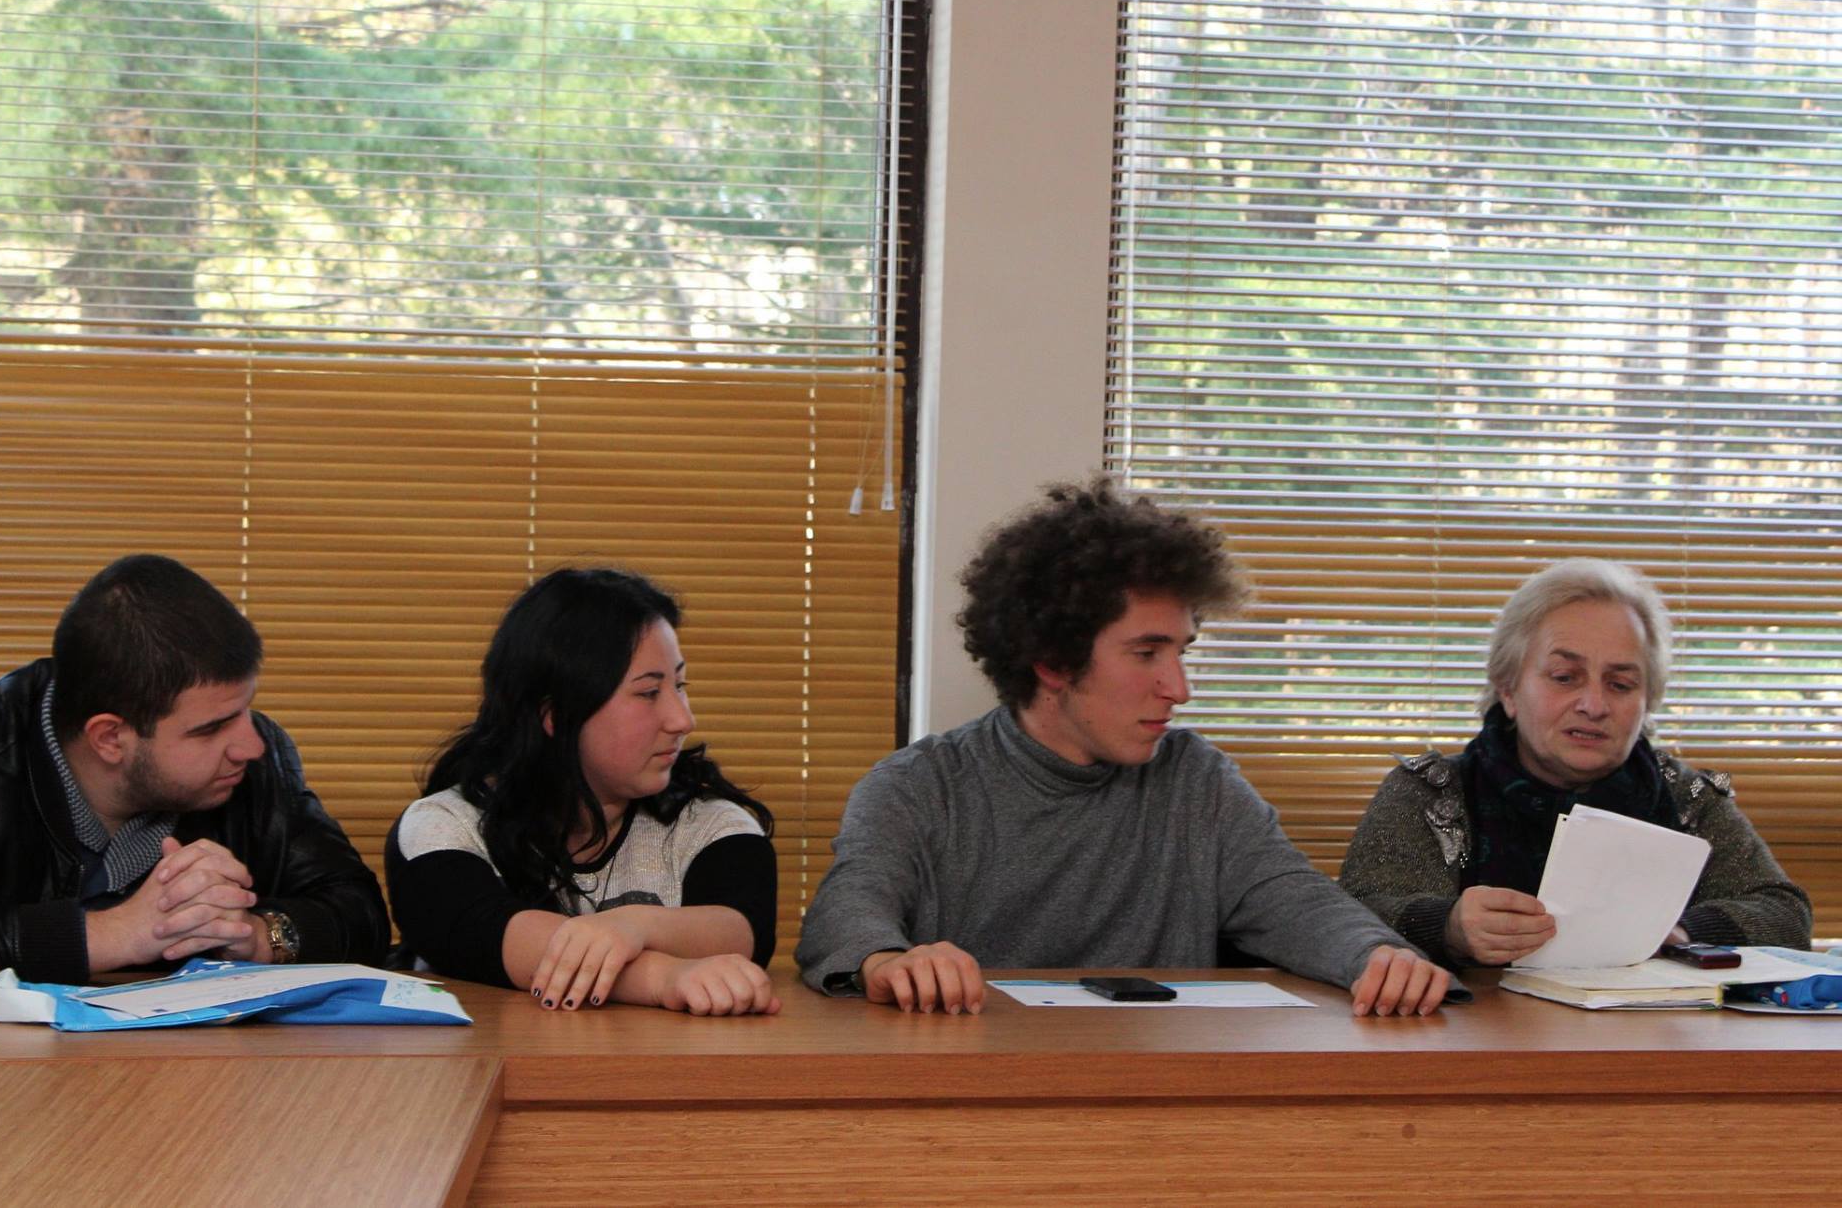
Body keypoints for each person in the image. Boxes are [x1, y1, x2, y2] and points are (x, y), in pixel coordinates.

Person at [796, 478, 1452, 1017]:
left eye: (1182, 652)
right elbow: (845, 916)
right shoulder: (918, 786)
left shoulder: (1199, 782)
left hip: (1160, 1101)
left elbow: (1294, 900)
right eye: (1146, 653)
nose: (1180, 688)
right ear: (1053, 660)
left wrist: (1377, 956)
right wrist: (887, 961)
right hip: (973, 1093)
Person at [0, 554, 389, 985]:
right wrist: (113, 933)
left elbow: (358, 912)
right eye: (211, 728)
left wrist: (258, 936)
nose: (250, 745)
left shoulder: (256, 766)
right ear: (110, 738)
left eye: (246, 710)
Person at [1340, 559, 1811, 967]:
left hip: (1650, 1034)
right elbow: (1352, 914)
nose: (1594, 705)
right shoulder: (1431, 793)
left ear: (1647, 702)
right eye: (1565, 677)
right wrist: (1447, 926)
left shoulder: (1685, 799)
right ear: (1508, 689)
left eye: (1620, 685)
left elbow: (1785, 915)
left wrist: (1681, 932)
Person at [386, 567, 779, 1016]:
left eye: (680, 685)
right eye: (649, 692)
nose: (682, 719)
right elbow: (486, 935)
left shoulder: (711, 823)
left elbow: (744, 929)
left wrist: (637, 925)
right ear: (554, 715)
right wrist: (662, 976)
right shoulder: (441, 827)